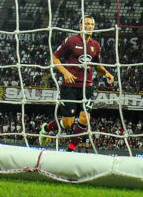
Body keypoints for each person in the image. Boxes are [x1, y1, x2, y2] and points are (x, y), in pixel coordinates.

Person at [39, 16, 114, 151]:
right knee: (68, 123)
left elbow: (97, 66)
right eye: (87, 24)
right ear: (80, 26)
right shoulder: (71, 41)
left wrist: (106, 73)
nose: (90, 26)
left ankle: (70, 151)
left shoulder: (95, 45)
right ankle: (46, 128)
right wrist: (65, 73)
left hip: (87, 87)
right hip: (70, 87)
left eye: (92, 24)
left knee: (85, 119)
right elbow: (55, 57)